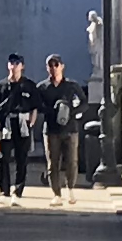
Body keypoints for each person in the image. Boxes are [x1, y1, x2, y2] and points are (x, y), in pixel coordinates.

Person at [0, 54, 39, 200]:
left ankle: (18, 189)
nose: (14, 66)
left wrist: (31, 123)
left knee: (22, 158)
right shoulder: (1, 86)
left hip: (23, 124)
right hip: (5, 124)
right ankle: (4, 191)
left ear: (22, 66)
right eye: (11, 63)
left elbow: (35, 107)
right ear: (8, 65)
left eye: (17, 63)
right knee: (4, 158)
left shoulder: (29, 85)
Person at [40, 55, 81, 200]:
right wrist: (53, 111)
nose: (53, 68)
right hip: (51, 130)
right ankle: (56, 193)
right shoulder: (43, 87)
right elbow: (38, 106)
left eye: (56, 65)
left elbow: (84, 103)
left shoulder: (71, 86)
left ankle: (70, 189)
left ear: (62, 66)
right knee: (53, 163)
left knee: (72, 161)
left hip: (70, 129)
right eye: (50, 65)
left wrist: (70, 111)